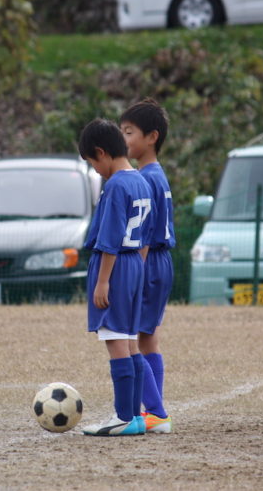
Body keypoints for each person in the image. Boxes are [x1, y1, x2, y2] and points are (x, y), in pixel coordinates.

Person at [77, 118, 153, 437]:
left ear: (101, 152)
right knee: (130, 341)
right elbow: (147, 235)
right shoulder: (141, 181)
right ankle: (134, 417)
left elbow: (110, 237)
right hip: (134, 264)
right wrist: (136, 272)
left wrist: (103, 280)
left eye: (92, 163)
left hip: (116, 266)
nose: (96, 171)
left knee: (115, 339)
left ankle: (122, 416)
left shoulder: (116, 185)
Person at [120, 98, 175, 434]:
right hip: (161, 261)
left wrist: (134, 274)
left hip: (149, 261)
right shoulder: (156, 174)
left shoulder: (145, 178)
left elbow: (144, 234)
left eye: (129, 132)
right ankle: (154, 411)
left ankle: (156, 411)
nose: (123, 139)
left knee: (132, 338)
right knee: (147, 337)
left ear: (151, 137)